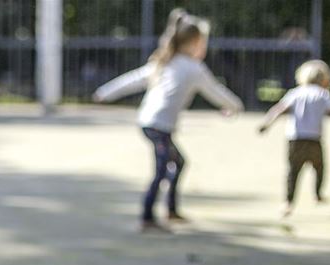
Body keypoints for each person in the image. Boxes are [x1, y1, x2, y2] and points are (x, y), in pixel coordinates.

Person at [93, 9, 243, 232]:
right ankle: (146, 218)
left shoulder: (167, 63)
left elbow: (132, 79)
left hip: (151, 123)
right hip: (157, 125)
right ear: (193, 43)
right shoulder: (190, 68)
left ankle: (171, 210)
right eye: (203, 42)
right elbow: (215, 91)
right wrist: (235, 106)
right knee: (161, 170)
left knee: (179, 163)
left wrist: (104, 92)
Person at [258, 59, 330, 217]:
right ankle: (317, 194)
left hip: (295, 138)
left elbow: (279, 109)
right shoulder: (323, 94)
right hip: (314, 139)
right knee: (320, 168)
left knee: (293, 171)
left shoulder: (295, 92)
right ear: (326, 79)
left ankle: (288, 203)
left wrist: (267, 123)